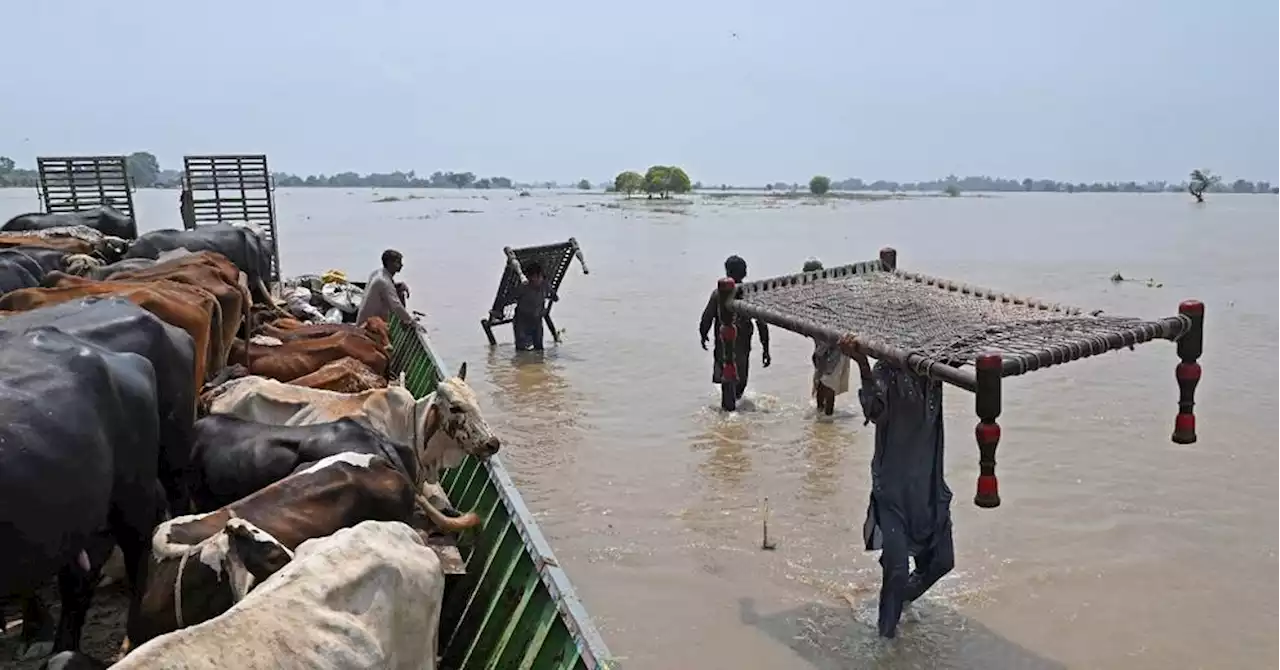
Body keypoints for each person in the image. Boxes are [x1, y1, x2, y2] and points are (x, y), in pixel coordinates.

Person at [839, 333, 954, 639]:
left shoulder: (934, 371)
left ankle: (900, 600)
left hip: (928, 485)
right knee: (897, 570)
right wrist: (862, 363)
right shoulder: (886, 371)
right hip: (893, 489)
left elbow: (963, 358)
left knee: (943, 561)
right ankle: (884, 644)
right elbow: (874, 412)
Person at [700, 255, 771, 400]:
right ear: (744, 272)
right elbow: (761, 323)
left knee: (725, 376)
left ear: (727, 272)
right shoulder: (750, 293)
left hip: (723, 345)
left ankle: (729, 411)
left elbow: (707, 317)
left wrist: (703, 334)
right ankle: (736, 405)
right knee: (741, 379)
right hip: (742, 346)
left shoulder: (718, 293)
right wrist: (765, 348)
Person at [803, 258, 850, 415]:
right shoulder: (808, 295)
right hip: (821, 348)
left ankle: (827, 420)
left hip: (836, 346)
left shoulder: (831, 294)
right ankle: (821, 418)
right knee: (820, 382)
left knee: (828, 384)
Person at [356, 249, 424, 331]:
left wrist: (398, 285)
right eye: (398, 262)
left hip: (364, 321)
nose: (401, 265)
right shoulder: (384, 282)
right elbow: (396, 305)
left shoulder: (377, 273)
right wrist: (411, 321)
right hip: (369, 326)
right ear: (389, 263)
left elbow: (388, 289)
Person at [512, 260, 557, 351]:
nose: (537, 279)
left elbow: (554, 297)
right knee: (521, 348)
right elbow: (510, 297)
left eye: (539, 277)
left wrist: (552, 296)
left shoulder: (545, 284)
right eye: (534, 277)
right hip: (522, 320)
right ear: (528, 277)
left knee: (539, 348)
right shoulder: (523, 287)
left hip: (536, 320)